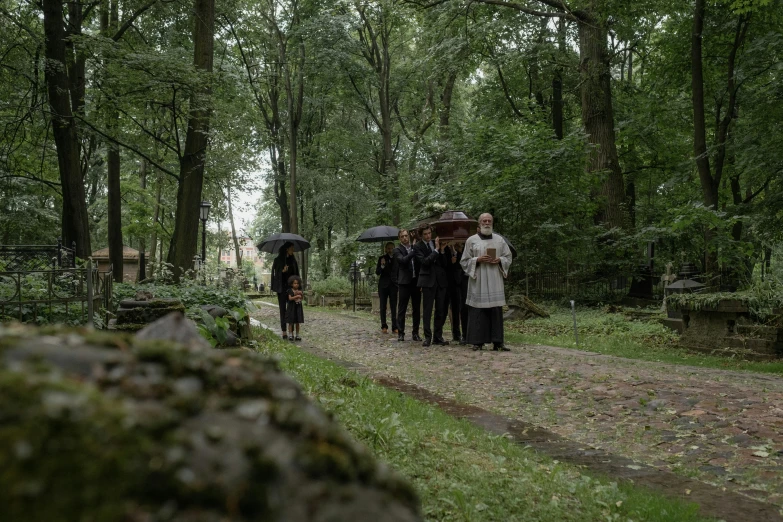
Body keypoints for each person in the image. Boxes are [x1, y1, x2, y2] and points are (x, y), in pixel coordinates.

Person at [460, 213, 513, 351]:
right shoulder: (471, 240)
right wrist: (477, 260)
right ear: (479, 223)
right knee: (478, 311)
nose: (487, 223)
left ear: (492, 223)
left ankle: (498, 342)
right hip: (479, 280)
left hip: (495, 278)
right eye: (484, 221)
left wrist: (499, 260)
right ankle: (477, 342)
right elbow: (464, 261)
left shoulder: (500, 240)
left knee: (495, 310)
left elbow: (508, 257)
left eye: (489, 221)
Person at [414, 224, 450, 347]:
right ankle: (428, 337)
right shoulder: (417, 247)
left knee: (440, 310)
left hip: (440, 281)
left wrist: (442, 250)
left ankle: (438, 336)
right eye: (425, 234)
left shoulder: (437, 243)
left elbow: (444, 263)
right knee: (427, 310)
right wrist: (436, 250)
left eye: (429, 233)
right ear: (421, 235)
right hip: (427, 281)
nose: (428, 236)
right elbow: (425, 262)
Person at [392, 229, 422, 342]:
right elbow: (403, 261)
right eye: (402, 236)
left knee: (416, 308)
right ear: (399, 238)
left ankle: (416, 333)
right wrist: (413, 250)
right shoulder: (397, 250)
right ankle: (401, 333)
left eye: (406, 236)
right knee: (402, 309)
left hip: (416, 281)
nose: (405, 238)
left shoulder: (415, 247)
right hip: (404, 282)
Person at [271, 242, 299, 340]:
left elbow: (296, 274)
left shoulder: (293, 260)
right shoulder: (278, 260)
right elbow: (275, 275)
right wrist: (282, 272)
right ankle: (284, 331)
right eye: (292, 248)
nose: (293, 250)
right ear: (287, 249)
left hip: (291, 288)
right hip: (281, 288)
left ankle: (291, 331)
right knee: (282, 309)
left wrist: (298, 289)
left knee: (292, 309)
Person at [444, 241, 466, 343]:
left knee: (458, 307)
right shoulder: (444, 248)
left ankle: (459, 334)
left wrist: (458, 251)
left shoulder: (460, 249)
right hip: (446, 282)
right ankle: (441, 334)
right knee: (445, 308)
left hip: (458, 282)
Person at [375, 241, 398, 334]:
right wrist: (382, 265)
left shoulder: (397, 258)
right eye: (388, 248)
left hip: (393, 285)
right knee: (383, 306)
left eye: (392, 248)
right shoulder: (382, 258)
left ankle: (395, 327)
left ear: (394, 248)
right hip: (383, 286)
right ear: (385, 249)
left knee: (393, 307)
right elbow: (377, 272)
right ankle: (384, 326)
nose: (390, 250)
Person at [286, 275, 304, 341]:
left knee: (297, 322)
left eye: (297, 283)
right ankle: (290, 334)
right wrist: (295, 296)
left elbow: (302, 298)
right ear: (291, 284)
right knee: (291, 322)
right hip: (291, 307)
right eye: (294, 283)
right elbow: (290, 298)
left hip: (298, 307)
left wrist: (301, 295)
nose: (296, 285)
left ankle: (297, 335)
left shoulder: (300, 290)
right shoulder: (290, 290)